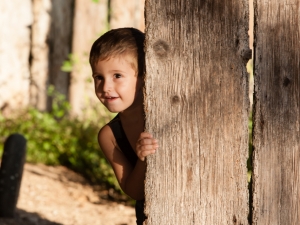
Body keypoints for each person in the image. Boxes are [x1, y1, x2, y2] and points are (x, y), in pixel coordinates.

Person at [89, 28, 158, 225]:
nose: (105, 87)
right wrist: (143, 160)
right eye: (98, 77)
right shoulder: (109, 136)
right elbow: (133, 191)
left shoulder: (170, 116)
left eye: (117, 76)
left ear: (144, 77)